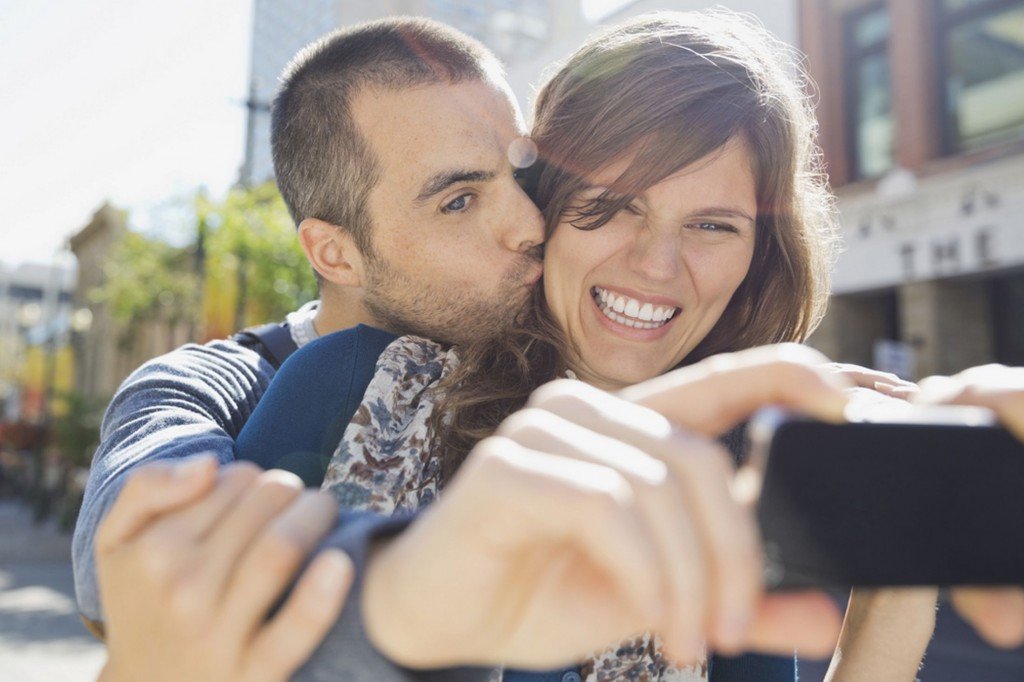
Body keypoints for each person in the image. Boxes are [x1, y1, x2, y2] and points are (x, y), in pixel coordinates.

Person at [237, 10, 934, 681]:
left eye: (714, 226)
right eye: (617, 204)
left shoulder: (733, 477)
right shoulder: (356, 386)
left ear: (760, 255)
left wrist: (903, 575)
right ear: (547, 206)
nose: (658, 265)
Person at [73, 15, 546, 642]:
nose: (531, 225)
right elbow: (143, 560)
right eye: (458, 200)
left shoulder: (554, 354)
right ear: (334, 254)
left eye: (524, 176)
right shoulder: (211, 384)